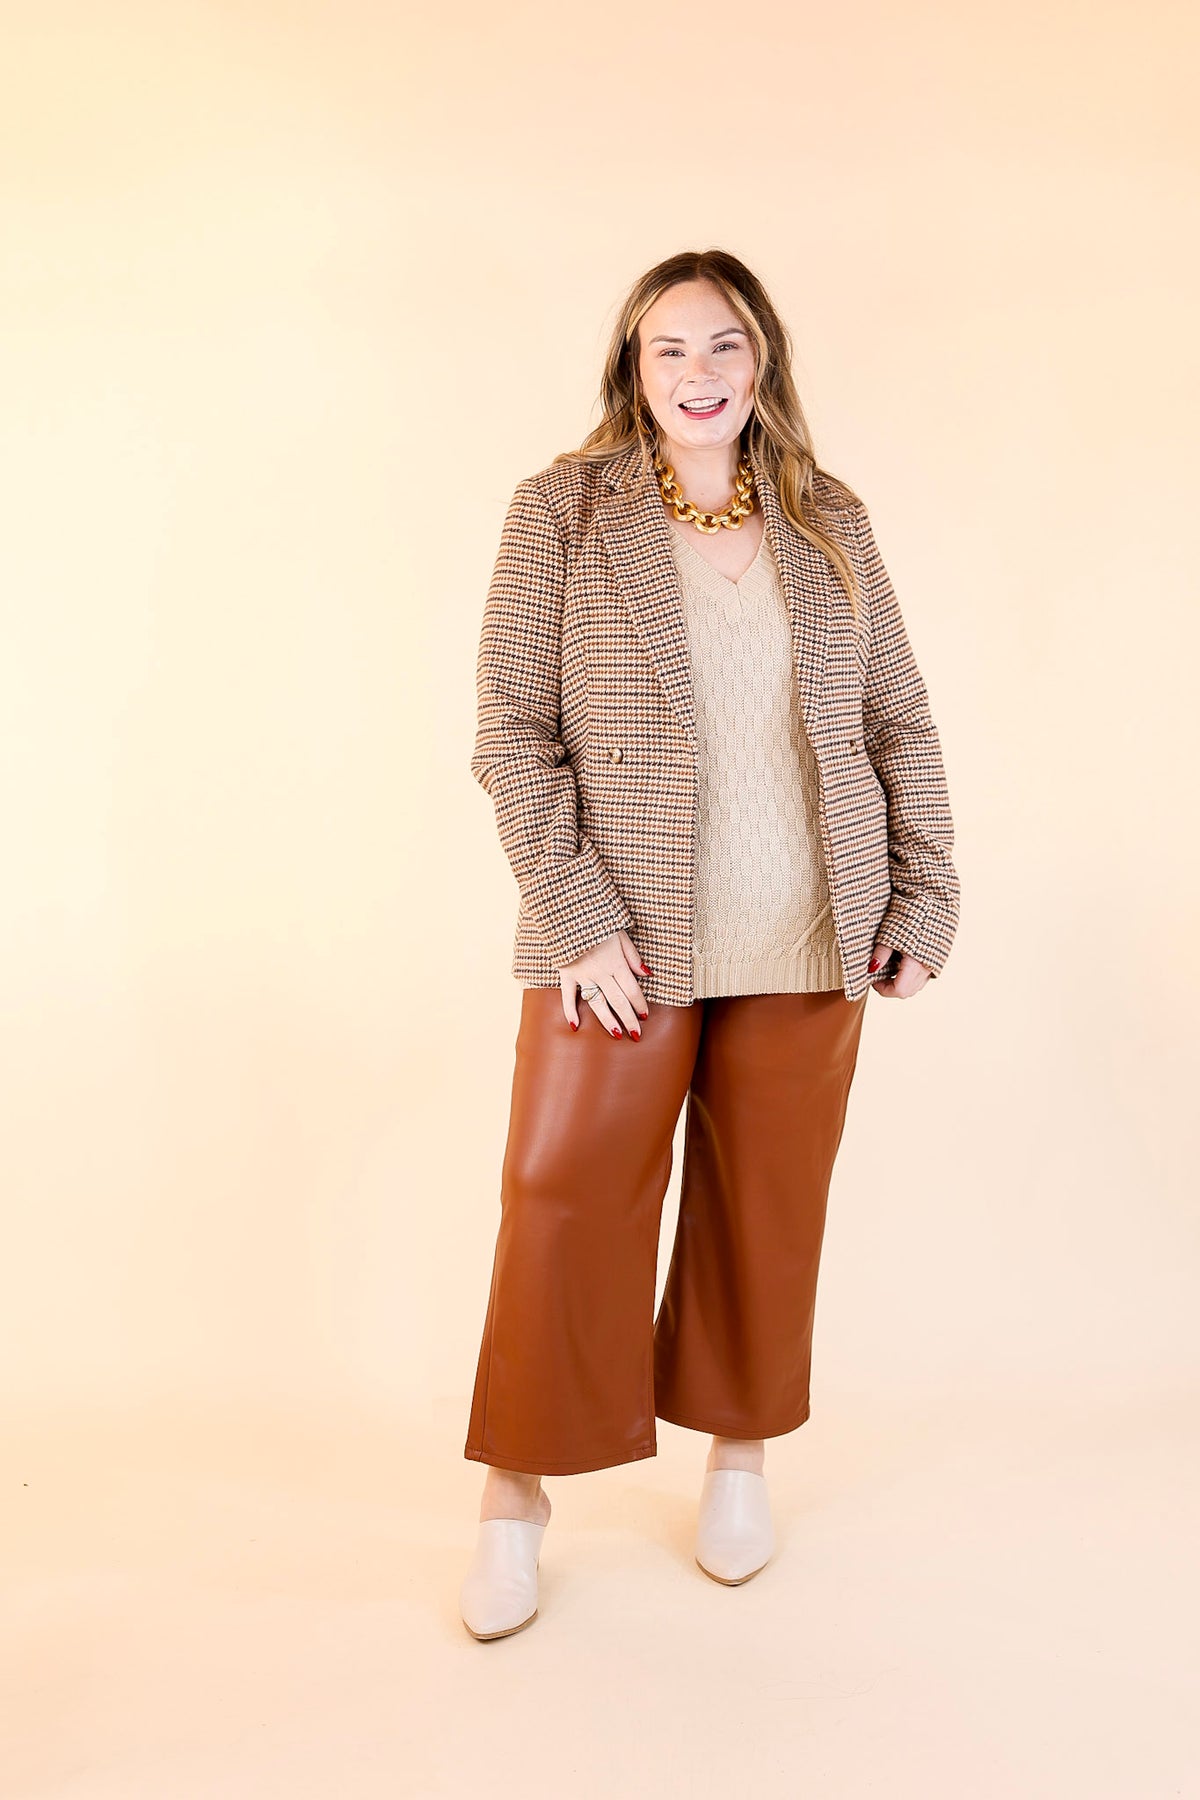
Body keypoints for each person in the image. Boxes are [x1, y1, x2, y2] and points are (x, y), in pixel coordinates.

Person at [458, 249, 960, 1640]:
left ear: (762, 361)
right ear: (634, 367)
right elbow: (512, 731)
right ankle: (513, 1502)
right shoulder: (563, 512)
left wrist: (924, 900)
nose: (698, 373)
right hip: (621, 938)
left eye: (724, 345)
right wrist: (576, 920)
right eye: (669, 348)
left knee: (766, 1209)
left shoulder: (829, 517)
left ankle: (739, 1466)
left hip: (810, 928)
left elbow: (899, 718)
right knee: (562, 1200)